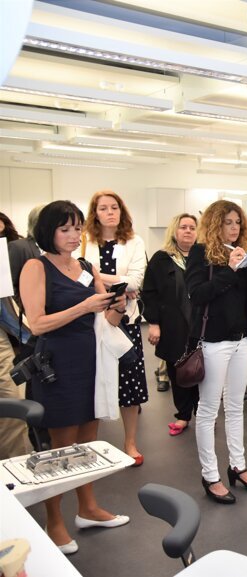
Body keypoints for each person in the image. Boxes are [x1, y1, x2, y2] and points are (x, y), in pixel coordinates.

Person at [20, 200, 130, 554]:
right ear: (47, 232)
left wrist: (117, 305)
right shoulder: (36, 267)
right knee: (60, 448)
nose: (73, 235)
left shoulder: (85, 266)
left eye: (77, 228)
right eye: (65, 229)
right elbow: (37, 323)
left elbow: (107, 318)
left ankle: (88, 508)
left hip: (91, 361)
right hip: (57, 365)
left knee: (88, 441)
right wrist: (83, 306)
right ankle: (54, 521)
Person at [185, 199, 247, 504]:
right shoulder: (200, 253)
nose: (233, 228)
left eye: (237, 223)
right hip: (213, 341)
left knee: (235, 407)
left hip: (242, 339)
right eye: (227, 222)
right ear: (215, 223)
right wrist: (231, 270)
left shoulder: (243, 254)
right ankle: (210, 476)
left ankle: (238, 466)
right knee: (208, 411)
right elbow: (196, 295)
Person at [80, 191, 148, 466]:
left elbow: (135, 283)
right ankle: (90, 444)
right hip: (93, 324)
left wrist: (96, 275)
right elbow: (78, 276)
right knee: (93, 382)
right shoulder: (84, 243)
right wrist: (115, 282)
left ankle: (130, 443)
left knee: (130, 387)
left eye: (114, 207)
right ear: (95, 213)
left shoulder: (134, 241)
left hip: (126, 323)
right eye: (103, 208)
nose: (110, 212)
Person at [141, 214, 199, 437]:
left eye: (192, 227)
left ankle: (202, 414)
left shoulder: (203, 257)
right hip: (173, 325)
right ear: (174, 231)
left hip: (200, 325)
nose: (188, 231)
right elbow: (150, 293)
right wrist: (153, 323)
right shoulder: (161, 258)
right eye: (183, 227)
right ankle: (183, 415)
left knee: (202, 371)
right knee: (178, 371)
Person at [0, 212, 30, 459]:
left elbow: (5, 309)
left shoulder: (11, 249)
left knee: (12, 401)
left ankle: (14, 471)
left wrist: (29, 335)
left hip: (4, 339)